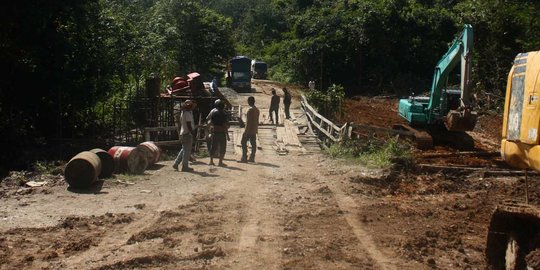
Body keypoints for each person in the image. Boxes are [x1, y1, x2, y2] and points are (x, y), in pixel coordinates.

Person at [173, 100, 196, 172]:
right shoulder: (188, 114)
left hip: (183, 133)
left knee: (184, 149)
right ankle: (185, 166)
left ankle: (176, 163)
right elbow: (189, 125)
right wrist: (193, 134)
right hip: (187, 133)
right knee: (187, 151)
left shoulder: (183, 113)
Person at [208, 100, 229, 166]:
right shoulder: (224, 114)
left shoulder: (214, 113)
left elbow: (211, 123)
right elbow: (225, 125)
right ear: (223, 107)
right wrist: (227, 135)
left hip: (215, 132)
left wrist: (210, 132)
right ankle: (220, 162)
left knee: (213, 147)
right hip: (222, 132)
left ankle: (211, 161)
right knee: (223, 147)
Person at [240, 96, 260, 163]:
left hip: (249, 130)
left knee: (243, 142)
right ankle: (252, 157)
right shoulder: (257, 110)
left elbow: (248, 122)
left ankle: (244, 157)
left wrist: (245, 132)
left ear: (250, 101)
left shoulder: (250, 110)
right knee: (253, 144)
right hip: (254, 129)